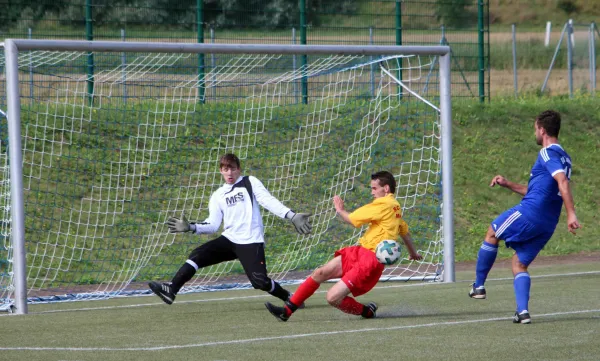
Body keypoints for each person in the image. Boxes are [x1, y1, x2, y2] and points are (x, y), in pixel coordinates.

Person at [149, 153, 312, 305]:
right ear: (221, 171)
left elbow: (267, 201)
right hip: (229, 240)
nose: (230, 173)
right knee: (197, 255)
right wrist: (190, 227)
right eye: (226, 169)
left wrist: (291, 215)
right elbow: (212, 224)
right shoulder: (218, 195)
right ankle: (172, 289)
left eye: (233, 168)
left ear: (238, 169)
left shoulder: (250, 182)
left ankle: (288, 297)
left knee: (260, 282)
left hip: (251, 241)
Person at [469, 110, 580, 324]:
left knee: (492, 232)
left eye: (535, 130)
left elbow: (562, 183)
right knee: (519, 264)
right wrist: (508, 184)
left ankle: (478, 286)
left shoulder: (547, 153)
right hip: (547, 223)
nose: (535, 134)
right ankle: (523, 312)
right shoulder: (565, 157)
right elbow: (538, 189)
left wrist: (572, 213)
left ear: (542, 130)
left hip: (532, 212)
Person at [264, 171, 422, 321]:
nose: (372, 192)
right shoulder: (395, 207)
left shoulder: (383, 204)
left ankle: (367, 311)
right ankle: (286, 312)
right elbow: (405, 233)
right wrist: (413, 253)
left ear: (385, 188)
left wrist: (340, 210)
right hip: (360, 252)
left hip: (369, 261)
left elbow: (353, 219)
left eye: (374, 188)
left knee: (332, 298)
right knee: (320, 272)